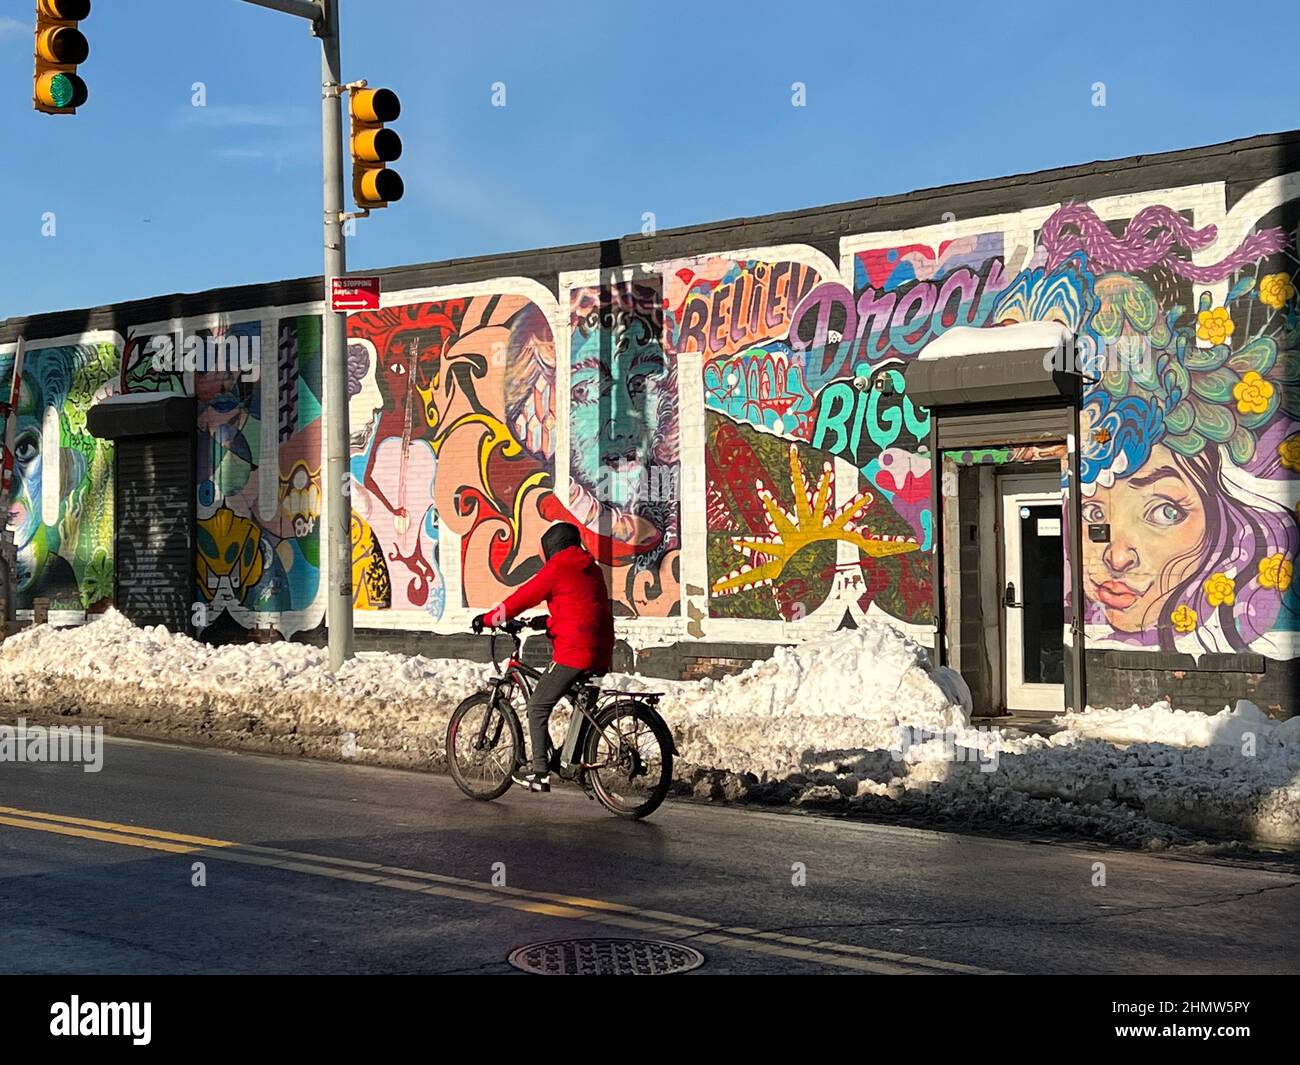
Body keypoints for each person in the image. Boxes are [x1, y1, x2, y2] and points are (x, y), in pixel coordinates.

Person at [471, 522, 614, 792]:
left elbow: (520, 599)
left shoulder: (557, 568)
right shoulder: (592, 568)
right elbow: (583, 607)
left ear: (551, 547)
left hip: (575, 651)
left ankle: (539, 774)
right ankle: (570, 758)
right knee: (579, 703)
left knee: (537, 706)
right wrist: (547, 622)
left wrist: (489, 619)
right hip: (602, 648)